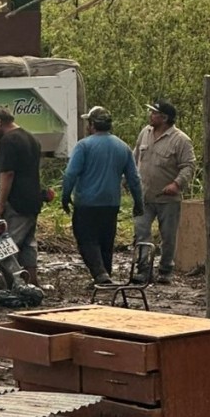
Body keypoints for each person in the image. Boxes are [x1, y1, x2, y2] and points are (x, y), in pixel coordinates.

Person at [60, 106, 143, 284]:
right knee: (106, 241)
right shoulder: (123, 147)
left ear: (92, 125)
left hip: (87, 203)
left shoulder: (84, 145)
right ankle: (105, 276)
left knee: (86, 239)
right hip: (111, 203)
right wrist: (138, 202)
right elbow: (134, 179)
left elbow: (70, 174)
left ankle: (100, 274)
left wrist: (65, 196)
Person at [133, 98, 196, 282]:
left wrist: (176, 184)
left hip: (168, 198)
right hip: (144, 195)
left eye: (155, 113)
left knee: (168, 236)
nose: (150, 115)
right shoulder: (145, 133)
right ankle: (143, 269)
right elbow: (135, 155)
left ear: (165, 118)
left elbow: (188, 166)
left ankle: (165, 269)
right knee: (141, 231)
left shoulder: (181, 140)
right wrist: (128, 179)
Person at [0, 105, 43, 285]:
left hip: (17, 201)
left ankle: (12, 283)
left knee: (6, 244)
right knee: (28, 243)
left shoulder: (8, 141)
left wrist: (0, 205)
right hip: (33, 199)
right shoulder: (31, 138)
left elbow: (7, 174)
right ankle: (32, 281)